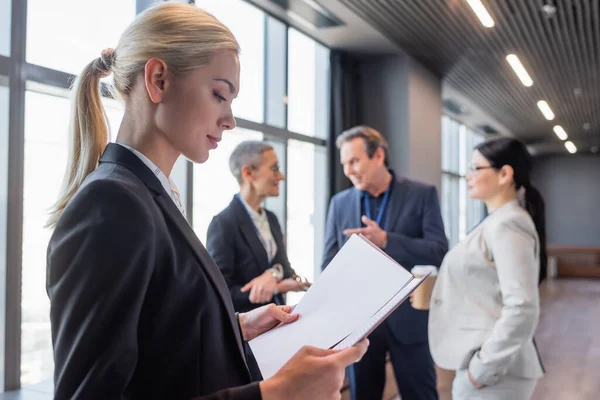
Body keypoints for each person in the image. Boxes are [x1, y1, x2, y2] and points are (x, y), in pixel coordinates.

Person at [45, 4, 367, 400]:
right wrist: (277, 393)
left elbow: (155, 339)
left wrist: (235, 326)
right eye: (219, 94)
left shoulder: (149, 194)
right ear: (159, 80)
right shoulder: (111, 203)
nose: (230, 119)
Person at [322, 125, 448, 400]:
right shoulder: (339, 203)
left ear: (378, 156)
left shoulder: (421, 193)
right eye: (344, 163)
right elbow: (329, 265)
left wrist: (387, 240)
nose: (348, 170)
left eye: (354, 161)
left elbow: (438, 250)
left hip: (409, 320)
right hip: (361, 324)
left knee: (421, 394)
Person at [428, 137, 545, 400]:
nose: (468, 175)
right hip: (487, 367)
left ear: (504, 174)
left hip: (496, 374)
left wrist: (482, 370)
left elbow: (522, 307)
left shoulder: (508, 224)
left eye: (475, 168)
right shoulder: (498, 222)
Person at [207, 140, 310, 313]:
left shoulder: (271, 219)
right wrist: (276, 288)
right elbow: (220, 292)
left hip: (278, 323)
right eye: (274, 168)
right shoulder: (223, 224)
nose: (281, 176)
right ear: (248, 173)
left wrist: (276, 274)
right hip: (247, 330)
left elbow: (283, 268)